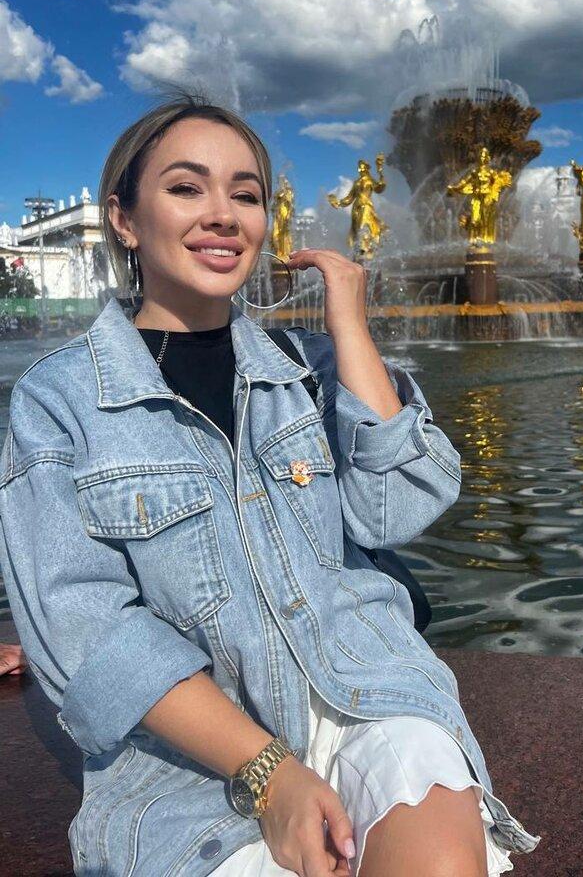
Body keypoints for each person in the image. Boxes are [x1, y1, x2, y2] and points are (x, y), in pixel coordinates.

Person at [0, 95, 539, 877]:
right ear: (124, 218)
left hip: (364, 691)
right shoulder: (60, 400)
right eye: (186, 188)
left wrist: (349, 324)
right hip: (192, 758)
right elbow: (84, 632)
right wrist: (268, 772)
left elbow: (398, 506)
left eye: (246, 194)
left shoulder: (306, 366)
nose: (223, 213)